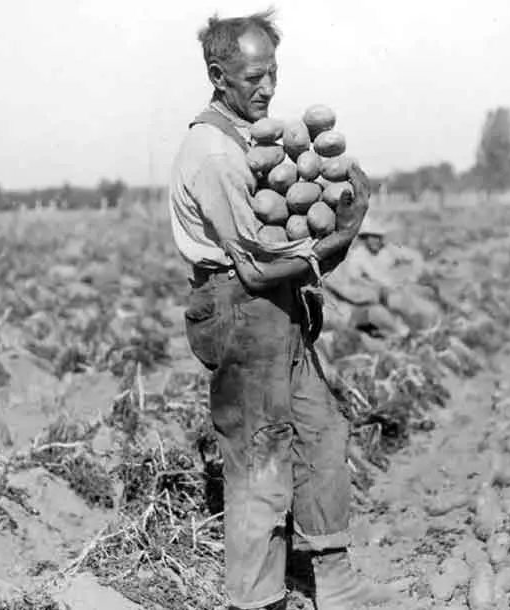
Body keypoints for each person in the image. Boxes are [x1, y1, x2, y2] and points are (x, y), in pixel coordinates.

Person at [168, 9, 394, 610]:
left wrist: (331, 234)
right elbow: (256, 266)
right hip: (240, 308)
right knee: (261, 455)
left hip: (276, 306)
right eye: (252, 78)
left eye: (273, 73)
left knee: (322, 429)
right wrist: (343, 235)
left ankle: (335, 580)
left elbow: (286, 253)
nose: (267, 88)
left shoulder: (253, 141)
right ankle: (257, 600)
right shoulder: (212, 151)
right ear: (218, 76)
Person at [322, 217, 440, 340]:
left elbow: (414, 257)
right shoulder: (357, 256)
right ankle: (406, 333)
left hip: (387, 290)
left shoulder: (388, 251)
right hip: (366, 300)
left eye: (378, 238)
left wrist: (409, 277)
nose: (375, 241)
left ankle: (423, 326)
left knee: (409, 300)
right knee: (382, 310)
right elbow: (351, 285)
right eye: (372, 238)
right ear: (365, 239)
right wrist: (374, 289)